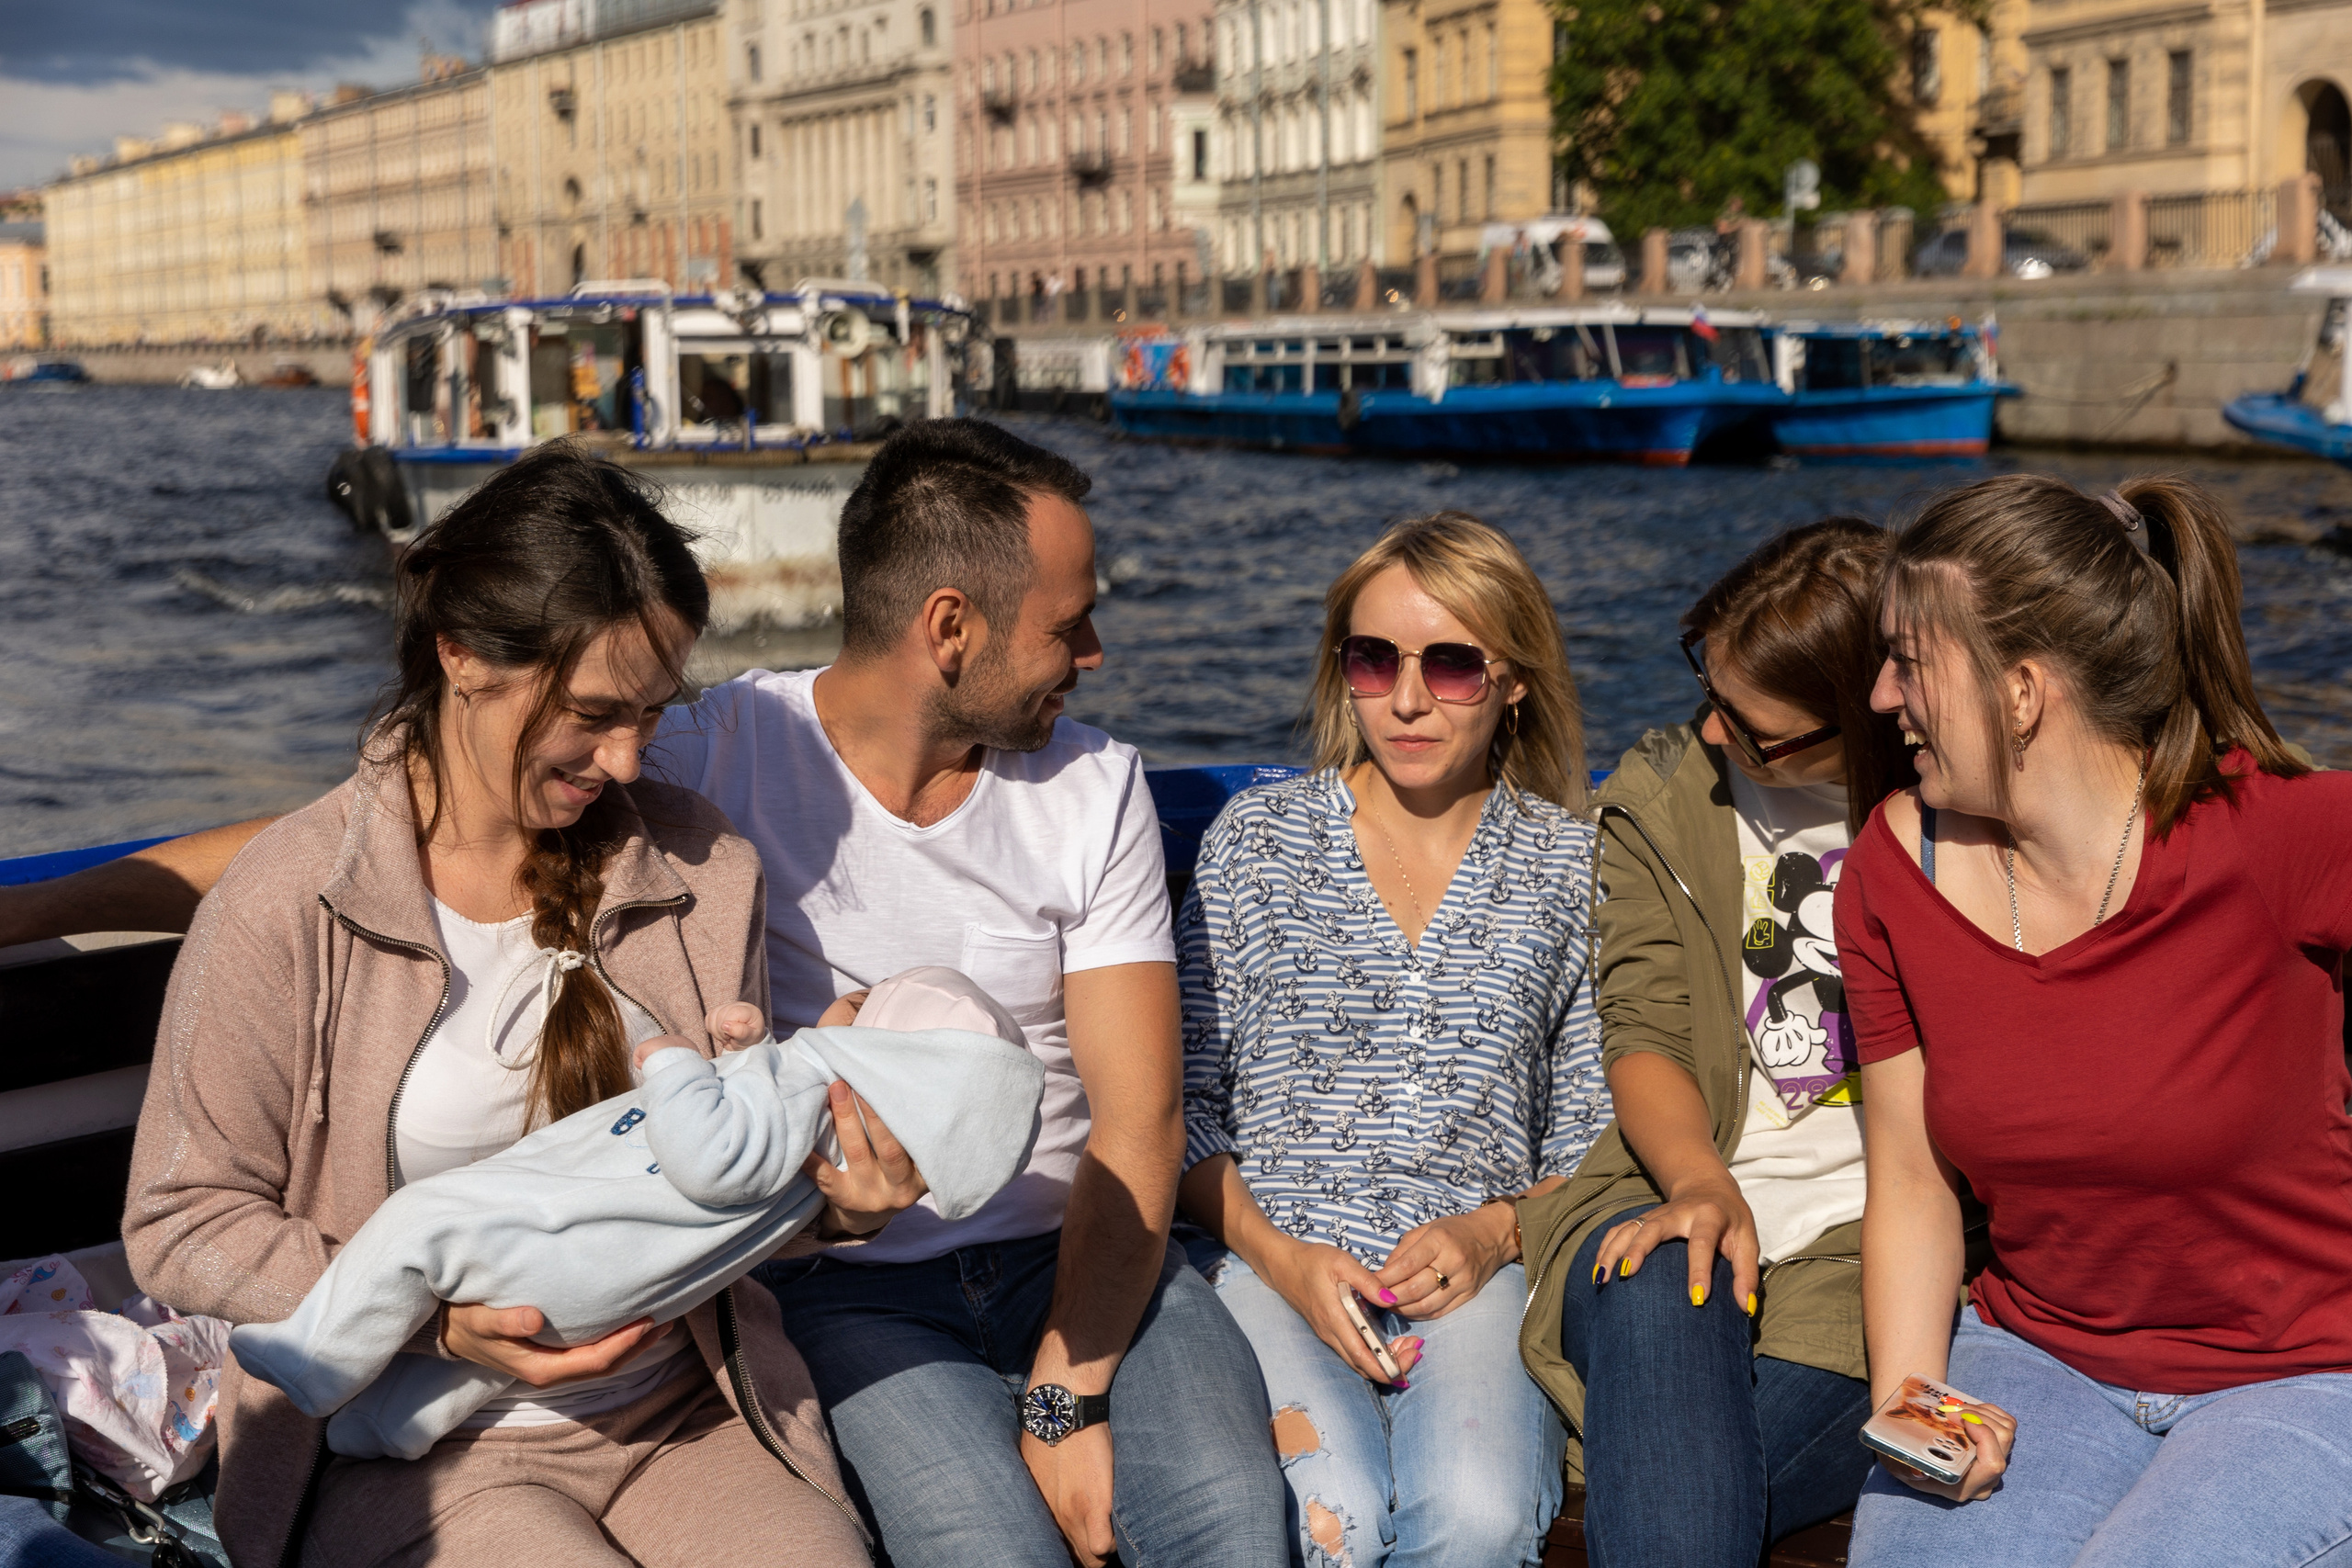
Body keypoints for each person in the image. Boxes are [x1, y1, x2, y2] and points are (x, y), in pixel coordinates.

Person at [122, 446, 919, 1568]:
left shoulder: (703, 870)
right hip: (398, 1447)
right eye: (593, 713)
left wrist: (836, 1208)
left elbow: (721, 1186)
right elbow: (180, 1218)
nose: (628, 758)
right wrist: (420, 1314)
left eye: (652, 712)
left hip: (684, 1417)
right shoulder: (287, 900)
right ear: (462, 656)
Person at [652, 419, 1287, 1568]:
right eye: (1067, 622)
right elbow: (457, 795)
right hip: (846, 1292)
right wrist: (208, 876)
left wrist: (1068, 1387)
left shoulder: (1091, 787)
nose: (1091, 651)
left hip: (1084, 1253)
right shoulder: (712, 759)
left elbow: (1136, 1118)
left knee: (1232, 1528)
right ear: (950, 627)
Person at [1838, 475, 2352, 1565]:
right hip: (2040, 1356)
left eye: (1908, 661)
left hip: (2308, 1372)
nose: (1883, 697)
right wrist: (1915, 1403)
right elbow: (1914, 1185)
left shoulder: (2273, 836)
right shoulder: (1893, 869)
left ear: (2020, 690)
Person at [1175, 512, 1607, 1567]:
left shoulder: (1569, 866)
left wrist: (1493, 1235)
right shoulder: (1255, 846)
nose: (1406, 699)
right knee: (1336, 1518)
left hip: (1473, 1274)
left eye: (1452, 665)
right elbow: (1181, 1113)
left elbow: (1597, 1142)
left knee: (1480, 1516)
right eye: (1373, 660)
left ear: (1513, 680)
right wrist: (1282, 1259)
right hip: (1270, 1262)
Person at [1517, 519, 1919, 1567]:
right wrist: (1700, 1183)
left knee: (1676, 1483)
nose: (1709, 734)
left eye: (1751, 728)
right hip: (1662, 1172)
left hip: (1864, 1241)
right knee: (1667, 1268)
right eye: (1708, 692)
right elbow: (1642, 1025)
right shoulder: (1663, 797)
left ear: (1867, 721)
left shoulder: (1945, 825)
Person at [231, 971, 1044, 1462]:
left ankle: (315, 1356)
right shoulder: (824, 1113)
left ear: (884, 1047)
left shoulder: (808, 1086)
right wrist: (745, 1056)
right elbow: (753, 1181)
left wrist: (676, 1063)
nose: (839, 1000)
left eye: (864, 1001)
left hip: (574, 1266)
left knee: (419, 1221)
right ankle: (391, 1422)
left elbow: (715, 1159)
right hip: (616, 1303)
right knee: (489, 1359)